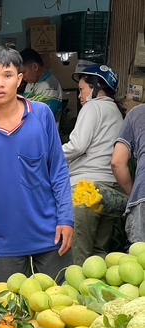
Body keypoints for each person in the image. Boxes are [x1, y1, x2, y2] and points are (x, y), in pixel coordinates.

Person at [0, 45, 73, 284]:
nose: (0, 83)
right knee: (7, 315)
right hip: (5, 241)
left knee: (60, 308)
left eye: (7, 76)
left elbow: (58, 171)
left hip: (51, 235)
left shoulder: (41, 115)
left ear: (19, 79)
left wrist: (66, 218)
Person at [62, 64, 124, 264]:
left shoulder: (92, 106)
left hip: (86, 189)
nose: (80, 95)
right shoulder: (116, 111)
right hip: (109, 189)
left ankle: (76, 293)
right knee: (98, 255)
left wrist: (51, 156)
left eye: (82, 89)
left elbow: (78, 146)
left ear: (97, 87)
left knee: (79, 254)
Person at [111, 99, 145, 244]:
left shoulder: (137, 113)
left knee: (140, 261)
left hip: (143, 195)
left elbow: (117, 162)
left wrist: (134, 194)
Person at [20, 48, 63, 124]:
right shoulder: (30, 84)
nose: (23, 77)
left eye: (24, 72)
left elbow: (43, 116)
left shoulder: (50, 86)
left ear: (35, 67)